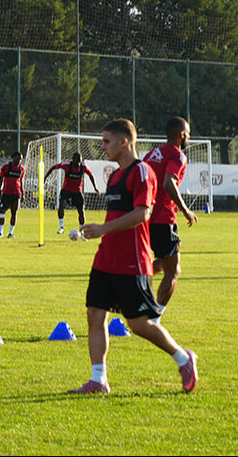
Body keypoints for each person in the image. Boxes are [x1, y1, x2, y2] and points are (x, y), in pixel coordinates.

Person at [70, 118, 197, 395]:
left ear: (124, 142)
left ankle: (183, 358)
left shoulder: (143, 172)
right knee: (95, 314)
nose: (102, 147)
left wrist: (103, 228)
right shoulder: (114, 176)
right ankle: (98, 379)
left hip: (132, 261)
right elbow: (118, 216)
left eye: (106, 142)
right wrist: (97, 231)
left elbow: (143, 214)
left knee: (139, 324)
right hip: (106, 258)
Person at [143, 117, 198, 320]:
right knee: (173, 271)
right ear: (181, 134)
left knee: (162, 262)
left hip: (144, 217)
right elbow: (169, 182)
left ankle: (136, 279)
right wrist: (185, 210)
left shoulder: (152, 154)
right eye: (188, 134)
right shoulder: (178, 155)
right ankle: (154, 319)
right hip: (162, 218)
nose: (188, 138)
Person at [45, 152, 98, 233]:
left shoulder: (83, 167)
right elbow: (53, 167)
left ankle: (81, 231)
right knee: (62, 204)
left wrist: (95, 187)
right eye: (77, 161)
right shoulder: (66, 165)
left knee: (81, 211)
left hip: (77, 191)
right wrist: (45, 178)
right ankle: (61, 227)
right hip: (66, 190)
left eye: (80, 161)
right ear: (73, 160)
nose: (78, 163)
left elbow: (90, 175)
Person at [0, 152, 25, 238]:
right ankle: (0, 233)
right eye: (18, 158)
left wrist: (23, 194)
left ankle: (10, 233)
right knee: (2, 212)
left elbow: (21, 181)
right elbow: (1, 179)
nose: (20, 161)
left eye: (21, 159)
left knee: (14, 213)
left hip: (16, 194)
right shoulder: (6, 167)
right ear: (13, 158)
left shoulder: (22, 169)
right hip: (6, 193)